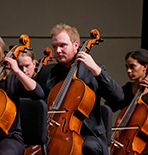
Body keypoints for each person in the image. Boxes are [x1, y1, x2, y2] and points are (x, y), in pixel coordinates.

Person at [34, 24, 124, 155]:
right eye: (54, 46)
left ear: (76, 45)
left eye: (62, 45)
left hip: (89, 135)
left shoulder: (92, 71)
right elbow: (33, 101)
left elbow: (119, 98)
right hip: (53, 133)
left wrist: (97, 71)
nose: (57, 51)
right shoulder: (46, 72)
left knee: (89, 147)